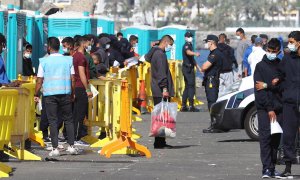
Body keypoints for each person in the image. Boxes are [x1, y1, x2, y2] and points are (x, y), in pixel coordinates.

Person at [34, 37, 78, 157]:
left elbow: (39, 80)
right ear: (59, 47)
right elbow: (73, 78)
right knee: (68, 119)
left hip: (50, 95)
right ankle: (71, 146)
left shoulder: (43, 61)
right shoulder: (68, 60)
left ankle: (55, 148)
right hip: (65, 93)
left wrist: (36, 93)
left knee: (52, 121)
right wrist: (73, 93)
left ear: (49, 47)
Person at [265, 31, 300, 179]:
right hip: (290, 102)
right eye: (288, 42)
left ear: (299, 42)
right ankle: (288, 168)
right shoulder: (286, 59)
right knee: (288, 136)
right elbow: (279, 75)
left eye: (292, 41)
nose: (289, 44)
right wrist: (273, 82)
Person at [253, 38, 282, 178]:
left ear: (279, 52)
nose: (271, 53)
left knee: (276, 140)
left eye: (274, 52)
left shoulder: (281, 66)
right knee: (265, 139)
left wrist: (268, 85)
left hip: (279, 107)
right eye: (269, 51)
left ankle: (273, 167)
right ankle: (266, 168)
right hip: (264, 108)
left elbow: (282, 87)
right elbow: (259, 90)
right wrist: (269, 108)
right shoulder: (260, 66)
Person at [146, 35, 175, 149]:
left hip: (156, 89)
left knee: (160, 117)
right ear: (166, 43)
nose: (171, 47)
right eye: (170, 45)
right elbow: (162, 74)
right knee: (161, 117)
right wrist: (165, 89)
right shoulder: (160, 55)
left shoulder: (155, 53)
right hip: (160, 90)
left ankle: (160, 142)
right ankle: (159, 143)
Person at [73, 36, 93, 146]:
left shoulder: (75, 56)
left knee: (76, 113)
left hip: (76, 87)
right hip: (80, 87)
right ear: (83, 43)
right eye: (88, 43)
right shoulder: (81, 57)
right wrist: (88, 89)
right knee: (80, 114)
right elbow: (82, 74)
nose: (88, 45)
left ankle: (74, 138)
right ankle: (76, 138)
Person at [201, 35, 223, 133]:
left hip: (212, 80)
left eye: (207, 41)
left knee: (212, 102)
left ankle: (215, 125)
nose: (206, 43)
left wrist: (202, 67)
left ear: (212, 42)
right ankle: (214, 123)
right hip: (210, 79)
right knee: (211, 102)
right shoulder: (213, 53)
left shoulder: (215, 54)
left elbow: (205, 66)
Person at [180, 31, 201, 112]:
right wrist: (195, 53)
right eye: (189, 36)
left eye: (191, 36)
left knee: (187, 87)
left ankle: (183, 105)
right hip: (187, 69)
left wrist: (198, 67)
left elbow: (192, 59)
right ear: (185, 38)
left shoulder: (190, 45)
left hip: (189, 67)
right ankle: (191, 106)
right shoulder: (186, 46)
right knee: (191, 86)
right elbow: (188, 53)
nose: (190, 38)